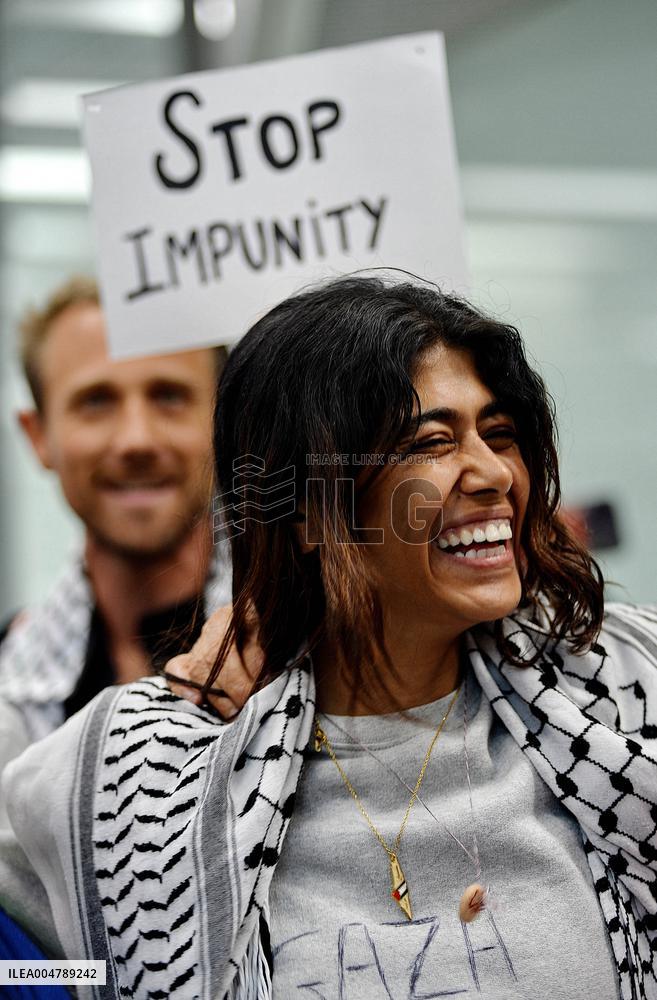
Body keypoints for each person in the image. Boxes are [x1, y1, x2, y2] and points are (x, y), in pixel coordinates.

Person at [1, 275, 656, 1000]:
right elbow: (24, 967)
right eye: (431, 442)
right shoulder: (143, 770)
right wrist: (99, 984)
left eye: (499, 434)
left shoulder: (622, 701)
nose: (493, 472)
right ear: (310, 511)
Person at [0, 277, 230, 778]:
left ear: (226, 420)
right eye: (96, 401)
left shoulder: (324, 653)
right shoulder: (10, 680)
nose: (136, 440)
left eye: (169, 396)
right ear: (38, 436)